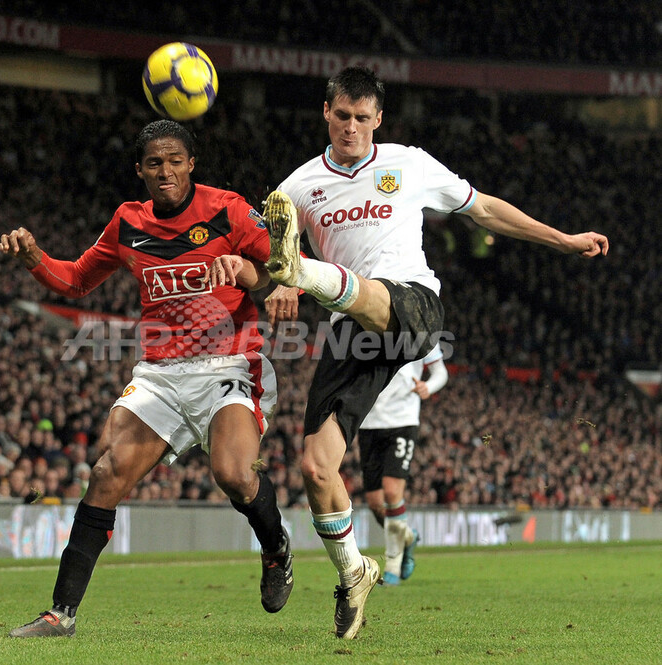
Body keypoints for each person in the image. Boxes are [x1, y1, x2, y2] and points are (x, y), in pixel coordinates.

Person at [260, 66, 608, 639]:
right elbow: (259, 252)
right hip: (352, 331)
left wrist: (563, 239)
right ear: (326, 112)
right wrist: (272, 279)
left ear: (379, 119)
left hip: (413, 305)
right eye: (342, 116)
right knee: (317, 467)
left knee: (343, 285)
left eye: (362, 118)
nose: (351, 127)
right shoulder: (296, 189)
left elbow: (484, 209)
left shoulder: (410, 164)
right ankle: (354, 572)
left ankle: (306, 273)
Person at [0, 119, 293, 638]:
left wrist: (262, 278)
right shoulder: (127, 222)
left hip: (227, 364)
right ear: (139, 169)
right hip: (160, 374)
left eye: (175, 160)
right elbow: (77, 280)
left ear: (192, 164)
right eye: (155, 163)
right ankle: (61, 614)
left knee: (234, 474)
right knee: (106, 471)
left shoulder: (228, 209)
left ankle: (275, 549)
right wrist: (35, 260)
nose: (166, 171)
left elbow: (283, 267)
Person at [358, 343, 448, 586]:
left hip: (402, 420)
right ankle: (408, 537)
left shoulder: (421, 329)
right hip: (368, 421)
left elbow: (440, 372)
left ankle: (393, 566)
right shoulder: (365, 327)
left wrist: (428, 386)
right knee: (376, 503)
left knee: (391, 492)